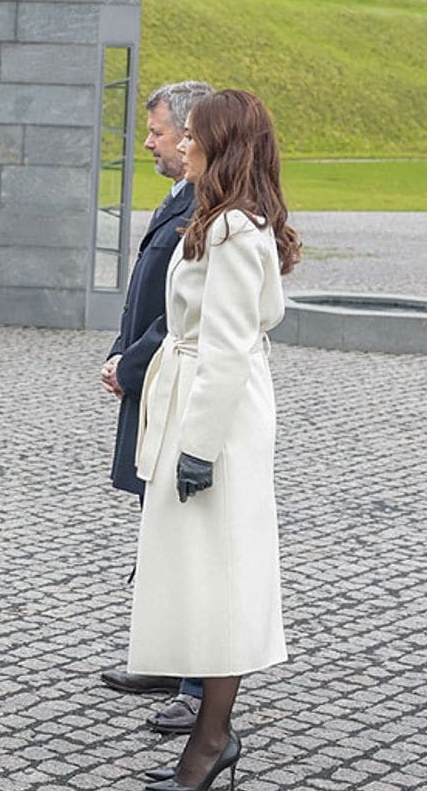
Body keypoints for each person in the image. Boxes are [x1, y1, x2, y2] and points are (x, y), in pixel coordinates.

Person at [127, 89, 298, 790]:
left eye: (193, 136)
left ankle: (212, 738)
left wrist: (197, 447)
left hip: (216, 418)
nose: (182, 145)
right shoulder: (221, 220)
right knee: (203, 572)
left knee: (220, 576)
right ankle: (209, 732)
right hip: (205, 402)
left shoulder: (231, 231)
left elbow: (227, 348)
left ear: (221, 146)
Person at [99, 80, 214, 734]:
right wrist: (124, 354)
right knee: (158, 532)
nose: (148, 142)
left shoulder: (211, 208)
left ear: (195, 134)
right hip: (151, 383)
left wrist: (132, 361)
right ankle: (166, 655)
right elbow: (146, 299)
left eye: (159, 132)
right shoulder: (179, 197)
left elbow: (187, 317)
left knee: (184, 535)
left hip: (176, 388)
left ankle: (197, 682)